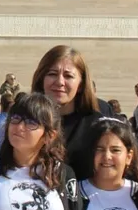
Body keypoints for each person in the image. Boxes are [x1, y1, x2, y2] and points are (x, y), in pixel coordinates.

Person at [32, 45, 104, 180]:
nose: (59, 82)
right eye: (52, 74)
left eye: (68, 76)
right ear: (41, 79)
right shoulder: (26, 121)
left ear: (81, 84)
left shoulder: (96, 125)